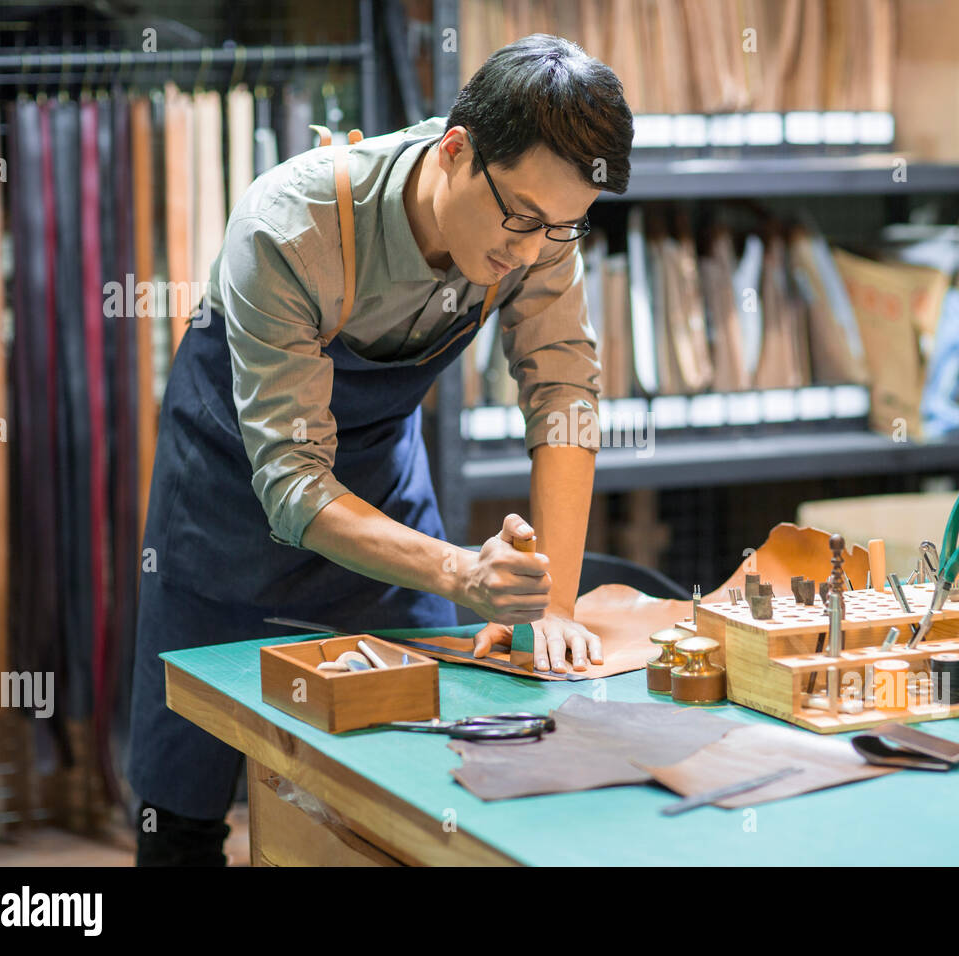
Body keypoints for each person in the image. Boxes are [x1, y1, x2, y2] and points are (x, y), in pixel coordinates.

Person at [128, 34, 634, 865]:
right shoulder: (290, 225)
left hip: (381, 500)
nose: (532, 250)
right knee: (181, 810)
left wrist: (554, 603)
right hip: (227, 501)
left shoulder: (539, 230)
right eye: (520, 219)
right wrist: (461, 573)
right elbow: (290, 480)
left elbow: (565, 398)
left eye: (564, 229)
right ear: (456, 151)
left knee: (425, 761)